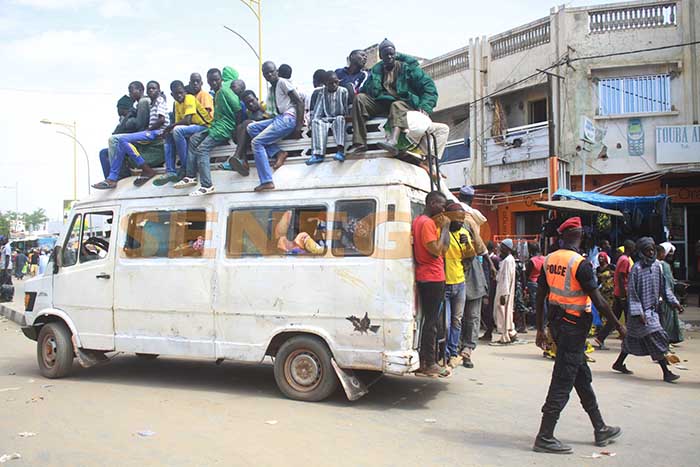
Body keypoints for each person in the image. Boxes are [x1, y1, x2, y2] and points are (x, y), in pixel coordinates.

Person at [533, 217, 624, 454]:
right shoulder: (580, 264)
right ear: (580, 236)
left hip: (558, 325)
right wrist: (618, 327)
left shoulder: (549, 259)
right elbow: (600, 302)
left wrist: (540, 328)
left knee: (580, 377)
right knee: (563, 379)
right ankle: (545, 436)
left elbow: (540, 296)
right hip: (573, 328)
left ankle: (600, 427)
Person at [612, 237, 683, 383]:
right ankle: (666, 372)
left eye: (652, 250)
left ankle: (618, 363)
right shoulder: (636, 269)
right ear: (641, 252)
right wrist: (638, 312)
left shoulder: (657, 266)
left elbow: (665, 288)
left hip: (653, 310)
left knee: (631, 341)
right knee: (655, 337)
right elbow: (632, 292)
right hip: (640, 314)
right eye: (647, 250)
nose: (651, 253)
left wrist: (674, 303)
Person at [348, 39, 438, 155]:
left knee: (396, 105)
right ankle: (360, 143)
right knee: (360, 98)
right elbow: (366, 90)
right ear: (381, 56)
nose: (390, 57)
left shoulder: (408, 68)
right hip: (383, 103)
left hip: (405, 103)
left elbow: (429, 87)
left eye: (392, 54)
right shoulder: (376, 71)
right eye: (386, 55)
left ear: (395, 54)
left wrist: (425, 106)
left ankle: (393, 140)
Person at [229, 61, 304, 192]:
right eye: (266, 73)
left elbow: (299, 102)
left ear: (277, 72)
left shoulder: (282, 82)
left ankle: (267, 180)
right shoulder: (271, 89)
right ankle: (278, 152)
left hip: (288, 118)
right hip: (278, 118)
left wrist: (298, 126)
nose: (269, 75)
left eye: (271, 71)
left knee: (256, 143)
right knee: (251, 128)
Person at [174, 67, 242, 196]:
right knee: (194, 139)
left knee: (202, 149)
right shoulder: (216, 94)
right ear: (208, 82)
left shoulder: (224, 92)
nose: (214, 83)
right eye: (211, 81)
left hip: (224, 128)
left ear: (221, 79)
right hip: (215, 126)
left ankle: (207, 185)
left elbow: (238, 109)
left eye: (216, 80)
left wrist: (236, 131)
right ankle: (190, 176)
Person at [93, 80, 170, 189]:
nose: (130, 94)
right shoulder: (150, 103)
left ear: (141, 90)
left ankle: (123, 174)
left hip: (153, 133)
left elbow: (149, 122)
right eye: (150, 89)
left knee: (117, 140)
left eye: (131, 90)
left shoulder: (147, 101)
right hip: (149, 133)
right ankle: (113, 177)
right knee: (118, 143)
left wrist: (144, 127)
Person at [412, 191, 451, 377]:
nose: (443, 209)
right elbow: (437, 250)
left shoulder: (419, 220)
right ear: (432, 203)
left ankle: (424, 360)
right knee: (432, 322)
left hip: (426, 275)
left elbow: (444, 247)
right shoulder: (427, 223)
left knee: (428, 320)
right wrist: (445, 228)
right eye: (441, 205)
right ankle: (430, 362)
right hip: (433, 276)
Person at [153, 80, 213, 185]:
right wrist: (168, 130)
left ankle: (186, 167)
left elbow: (187, 120)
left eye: (181, 92)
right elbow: (179, 122)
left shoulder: (189, 98)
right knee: (169, 134)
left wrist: (170, 127)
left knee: (176, 130)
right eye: (176, 94)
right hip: (191, 128)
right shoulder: (176, 103)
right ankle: (170, 170)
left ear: (185, 91)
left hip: (204, 126)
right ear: (172, 94)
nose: (179, 95)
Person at [442, 202, 474, 368]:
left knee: (456, 321)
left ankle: (453, 352)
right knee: (446, 323)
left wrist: (467, 245)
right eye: (458, 218)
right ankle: (445, 353)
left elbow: (470, 259)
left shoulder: (464, 233)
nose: (461, 222)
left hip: (460, 283)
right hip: (444, 284)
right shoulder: (442, 232)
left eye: (463, 219)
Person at [595, 239, 635, 349]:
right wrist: (623, 295)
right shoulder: (625, 260)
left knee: (614, 318)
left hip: (618, 293)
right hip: (622, 294)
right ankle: (628, 342)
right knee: (629, 318)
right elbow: (622, 278)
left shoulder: (622, 259)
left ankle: (601, 337)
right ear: (630, 249)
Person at [306, 71, 349, 165]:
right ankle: (318, 154)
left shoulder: (343, 91)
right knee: (316, 122)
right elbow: (318, 110)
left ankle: (340, 151)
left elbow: (346, 109)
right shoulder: (321, 92)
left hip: (339, 117)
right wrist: (314, 120)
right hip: (327, 118)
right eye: (330, 83)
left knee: (340, 119)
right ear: (325, 84)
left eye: (336, 82)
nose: (334, 85)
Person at [492, 239, 518, 344]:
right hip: (503, 289)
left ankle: (506, 336)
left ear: (507, 249)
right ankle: (510, 333)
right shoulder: (507, 259)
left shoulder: (508, 261)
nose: (500, 249)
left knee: (503, 313)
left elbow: (507, 278)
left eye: (502, 247)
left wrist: (504, 294)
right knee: (505, 314)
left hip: (504, 291)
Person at [657, 242, 684, 344]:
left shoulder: (663, 265)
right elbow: (666, 285)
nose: (671, 256)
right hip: (664, 299)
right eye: (669, 253)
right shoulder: (663, 265)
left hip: (665, 297)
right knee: (665, 321)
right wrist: (675, 302)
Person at [525, 242, 545, 312]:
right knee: (543, 301)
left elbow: (527, 274)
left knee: (534, 302)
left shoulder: (532, 261)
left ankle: (535, 319)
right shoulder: (544, 259)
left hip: (532, 283)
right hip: (542, 283)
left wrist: (524, 286)